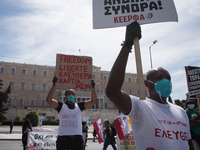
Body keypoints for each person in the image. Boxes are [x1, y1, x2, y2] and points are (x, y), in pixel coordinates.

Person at [106, 21, 193, 150]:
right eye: (160, 78)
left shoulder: (181, 111)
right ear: (146, 83)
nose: (166, 82)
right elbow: (112, 92)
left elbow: (188, 143)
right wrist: (127, 45)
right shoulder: (139, 107)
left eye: (168, 79)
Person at [46, 77, 97, 150]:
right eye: (69, 93)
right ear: (66, 96)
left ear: (75, 96)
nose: (71, 95)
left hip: (77, 138)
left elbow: (93, 101)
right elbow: (49, 101)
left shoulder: (79, 106)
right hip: (63, 138)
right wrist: (53, 85)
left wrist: (92, 89)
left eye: (73, 94)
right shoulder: (61, 106)